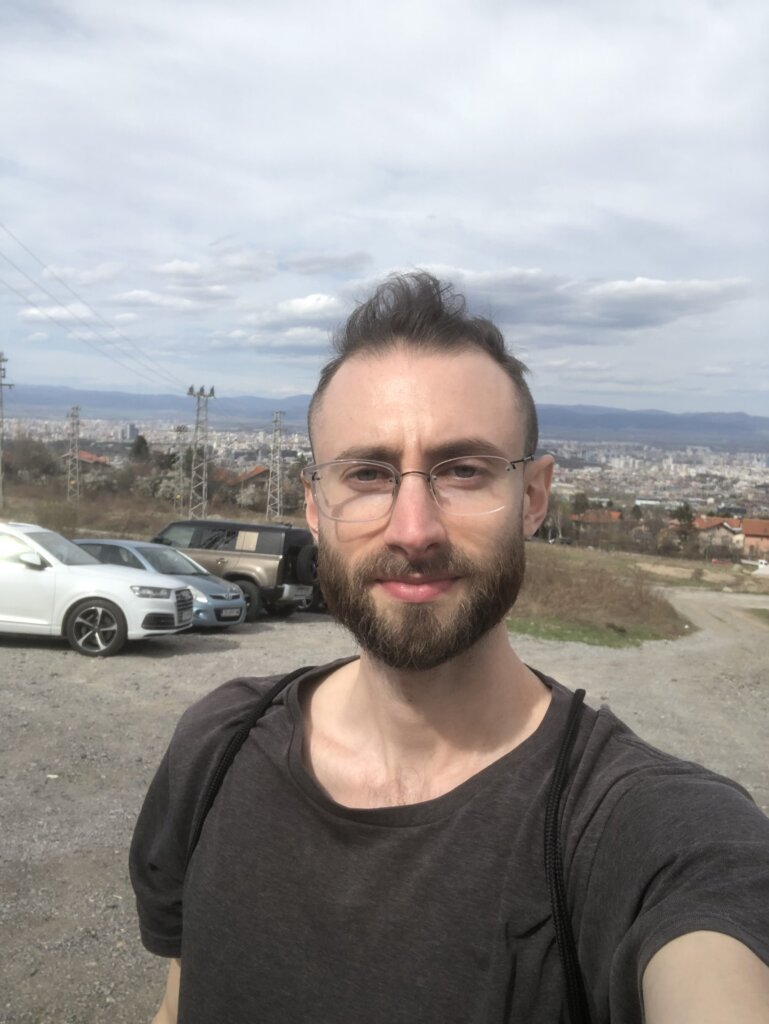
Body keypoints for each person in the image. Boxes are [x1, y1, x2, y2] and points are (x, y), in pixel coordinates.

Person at [130, 272, 769, 1024]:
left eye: (462, 471)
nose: (412, 529)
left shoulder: (642, 826)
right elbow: (182, 998)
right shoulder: (217, 746)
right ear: (315, 505)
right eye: (365, 474)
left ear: (532, 498)